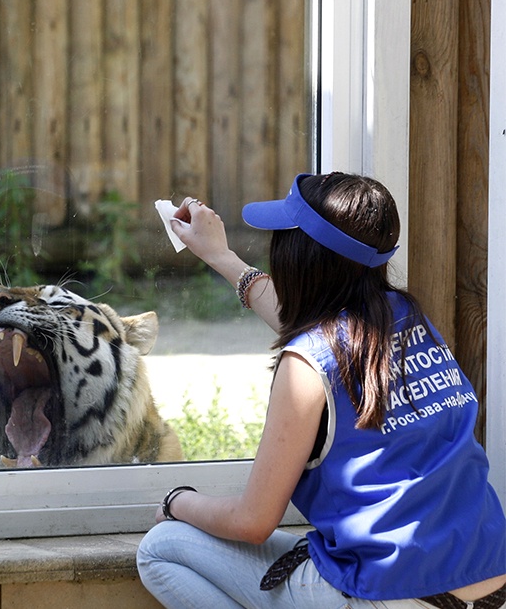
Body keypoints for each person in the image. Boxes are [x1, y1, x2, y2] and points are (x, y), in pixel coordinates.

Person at [138, 172, 506, 608]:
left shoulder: (304, 369)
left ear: (300, 257)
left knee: (160, 548)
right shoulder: (405, 318)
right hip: (488, 581)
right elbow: (315, 336)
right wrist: (221, 256)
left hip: (391, 596)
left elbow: (253, 522)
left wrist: (177, 500)